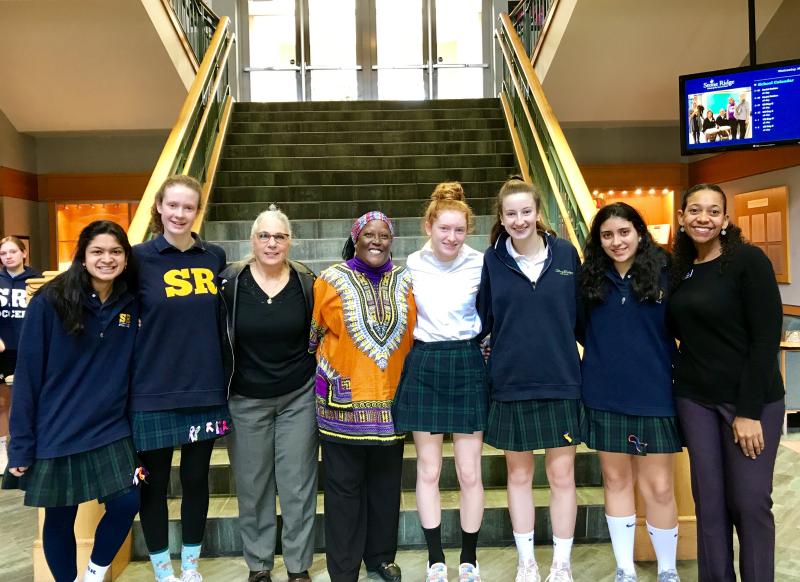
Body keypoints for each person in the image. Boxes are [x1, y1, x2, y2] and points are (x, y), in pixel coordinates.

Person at [5, 220, 140, 582]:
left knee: (128, 501)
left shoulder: (131, 301)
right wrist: (20, 447)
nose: (107, 259)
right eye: (97, 251)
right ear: (82, 255)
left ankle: (93, 573)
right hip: (57, 429)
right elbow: (28, 376)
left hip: (111, 428)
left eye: (115, 252)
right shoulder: (50, 300)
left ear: (126, 258)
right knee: (60, 517)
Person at [668, 183, 784, 582]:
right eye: (695, 210)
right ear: (681, 218)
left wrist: (748, 412)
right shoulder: (677, 269)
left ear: (725, 220)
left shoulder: (748, 261)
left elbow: (766, 338)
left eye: (713, 211)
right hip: (695, 400)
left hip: (751, 401)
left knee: (750, 502)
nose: (704, 218)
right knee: (711, 505)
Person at [477, 177, 583, 582]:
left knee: (562, 477)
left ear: (539, 214)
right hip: (510, 383)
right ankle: (527, 563)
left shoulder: (567, 254)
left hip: (560, 380)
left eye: (526, 212)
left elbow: (582, 320)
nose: (519, 220)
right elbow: (483, 320)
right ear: (501, 219)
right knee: (519, 476)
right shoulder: (491, 260)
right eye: (511, 213)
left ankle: (561, 563)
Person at [130, 175, 230, 582]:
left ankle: (190, 566)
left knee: (195, 479)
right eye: (173, 205)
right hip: (152, 390)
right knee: (152, 487)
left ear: (197, 212)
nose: (180, 214)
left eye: (189, 207)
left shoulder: (215, 256)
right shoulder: (138, 259)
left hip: (205, 388)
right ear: (158, 206)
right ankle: (161, 570)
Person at [310, 211, 416, 582]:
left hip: (392, 401)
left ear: (392, 240)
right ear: (355, 238)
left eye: (384, 235)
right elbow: (314, 335)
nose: (376, 241)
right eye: (368, 234)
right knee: (343, 491)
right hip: (343, 404)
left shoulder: (405, 279)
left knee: (386, 488)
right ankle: (343, 568)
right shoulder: (330, 279)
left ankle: (381, 558)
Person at [579, 203, 682, 582]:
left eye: (624, 232)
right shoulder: (589, 277)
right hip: (604, 393)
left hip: (656, 393)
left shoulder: (666, 272)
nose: (617, 241)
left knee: (659, 485)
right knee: (615, 480)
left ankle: (668, 569)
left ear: (639, 232)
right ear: (598, 240)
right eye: (607, 235)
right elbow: (580, 329)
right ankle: (625, 569)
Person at [392, 183, 489, 582]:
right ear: (429, 225)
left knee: (470, 473)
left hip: (467, 360)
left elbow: (497, 311)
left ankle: (469, 559)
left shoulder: (481, 263)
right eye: (443, 228)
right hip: (426, 360)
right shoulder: (411, 264)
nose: (451, 237)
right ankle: (435, 559)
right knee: (428, 470)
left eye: (459, 230)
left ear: (468, 230)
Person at [221, 205, 317, 582]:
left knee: (297, 484)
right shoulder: (231, 281)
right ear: (252, 240)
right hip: (245, 398)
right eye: (265, 236)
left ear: (290, 242)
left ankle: (298, 566)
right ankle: (259, 565)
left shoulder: (307, 281)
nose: (272, 243)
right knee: (253, 483)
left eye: (280, 236)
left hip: (298, 395)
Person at [0, 236, 41, 473]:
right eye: (4, 253)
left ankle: (19, 447)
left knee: (21, 399)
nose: (8, 257)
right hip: (4, 349)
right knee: (3, 401)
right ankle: (5, 450)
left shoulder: (36, 280)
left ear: (23, 253)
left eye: (13, 252)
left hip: (26, 349)